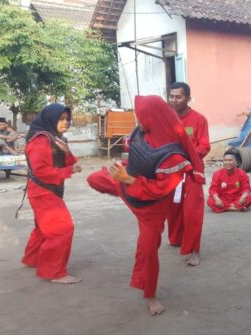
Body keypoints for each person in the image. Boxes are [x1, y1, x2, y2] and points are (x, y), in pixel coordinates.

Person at [86, 95, 203, 315]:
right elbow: (137, 158)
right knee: (93, 178)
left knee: (148, 250)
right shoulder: (143, 132)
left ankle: (150, 295)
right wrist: (120, 170)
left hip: (152, 206)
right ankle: (120, 191)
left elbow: (160, 189)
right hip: (127, 183)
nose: (137, 120)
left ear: (152, 117)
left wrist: (127, 179)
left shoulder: (174, 156)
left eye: (140, 116)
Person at [21, 104, 82, 284]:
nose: (65, 123)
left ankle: (31, 259)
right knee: (61, 229)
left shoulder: (56, 138)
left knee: (43, 228)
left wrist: (67, 152)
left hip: (47, 190)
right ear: (50, 119)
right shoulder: (41, 140)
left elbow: (68, 161)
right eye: (61, 119)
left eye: (67, 119)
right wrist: (69, 171)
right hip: (43, 191)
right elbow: (41, 171)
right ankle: (54, 272)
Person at [166, 82, 209, 266]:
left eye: (178, 97)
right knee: (173, 209)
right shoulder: (166, 119)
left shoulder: (199, 119)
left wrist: (186, 157)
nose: (174, 100)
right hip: (171, 172)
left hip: (192, 172)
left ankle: (194, 250)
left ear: (188, 98)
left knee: (192, 211)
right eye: (171, 96)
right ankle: (176, 239)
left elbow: (204, 146)